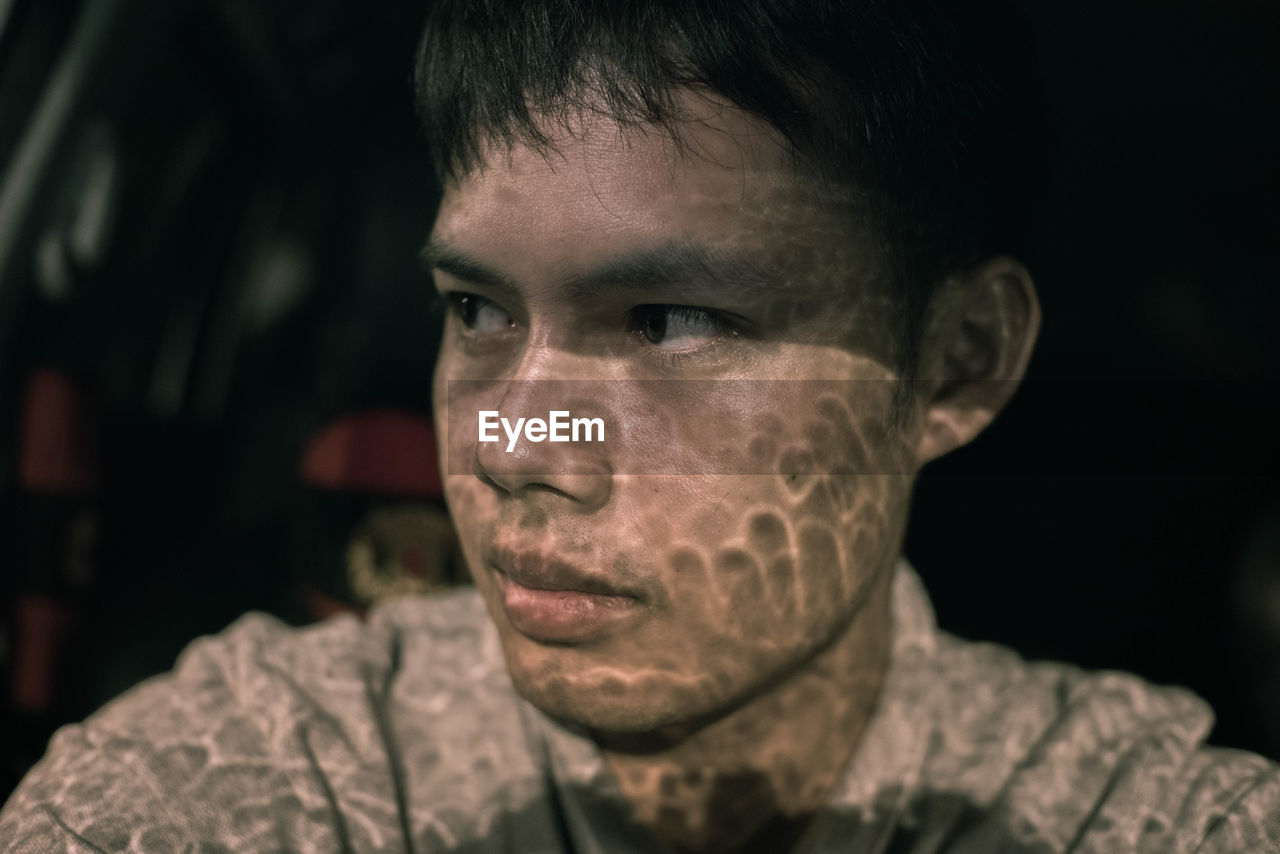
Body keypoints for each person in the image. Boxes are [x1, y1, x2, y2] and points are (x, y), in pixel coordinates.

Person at [3, 0, 1278, 851]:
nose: (513, 446)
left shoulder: (1119, 809)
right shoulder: (303, 753)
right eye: (475, 309)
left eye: (671, 319)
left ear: (954, 361)